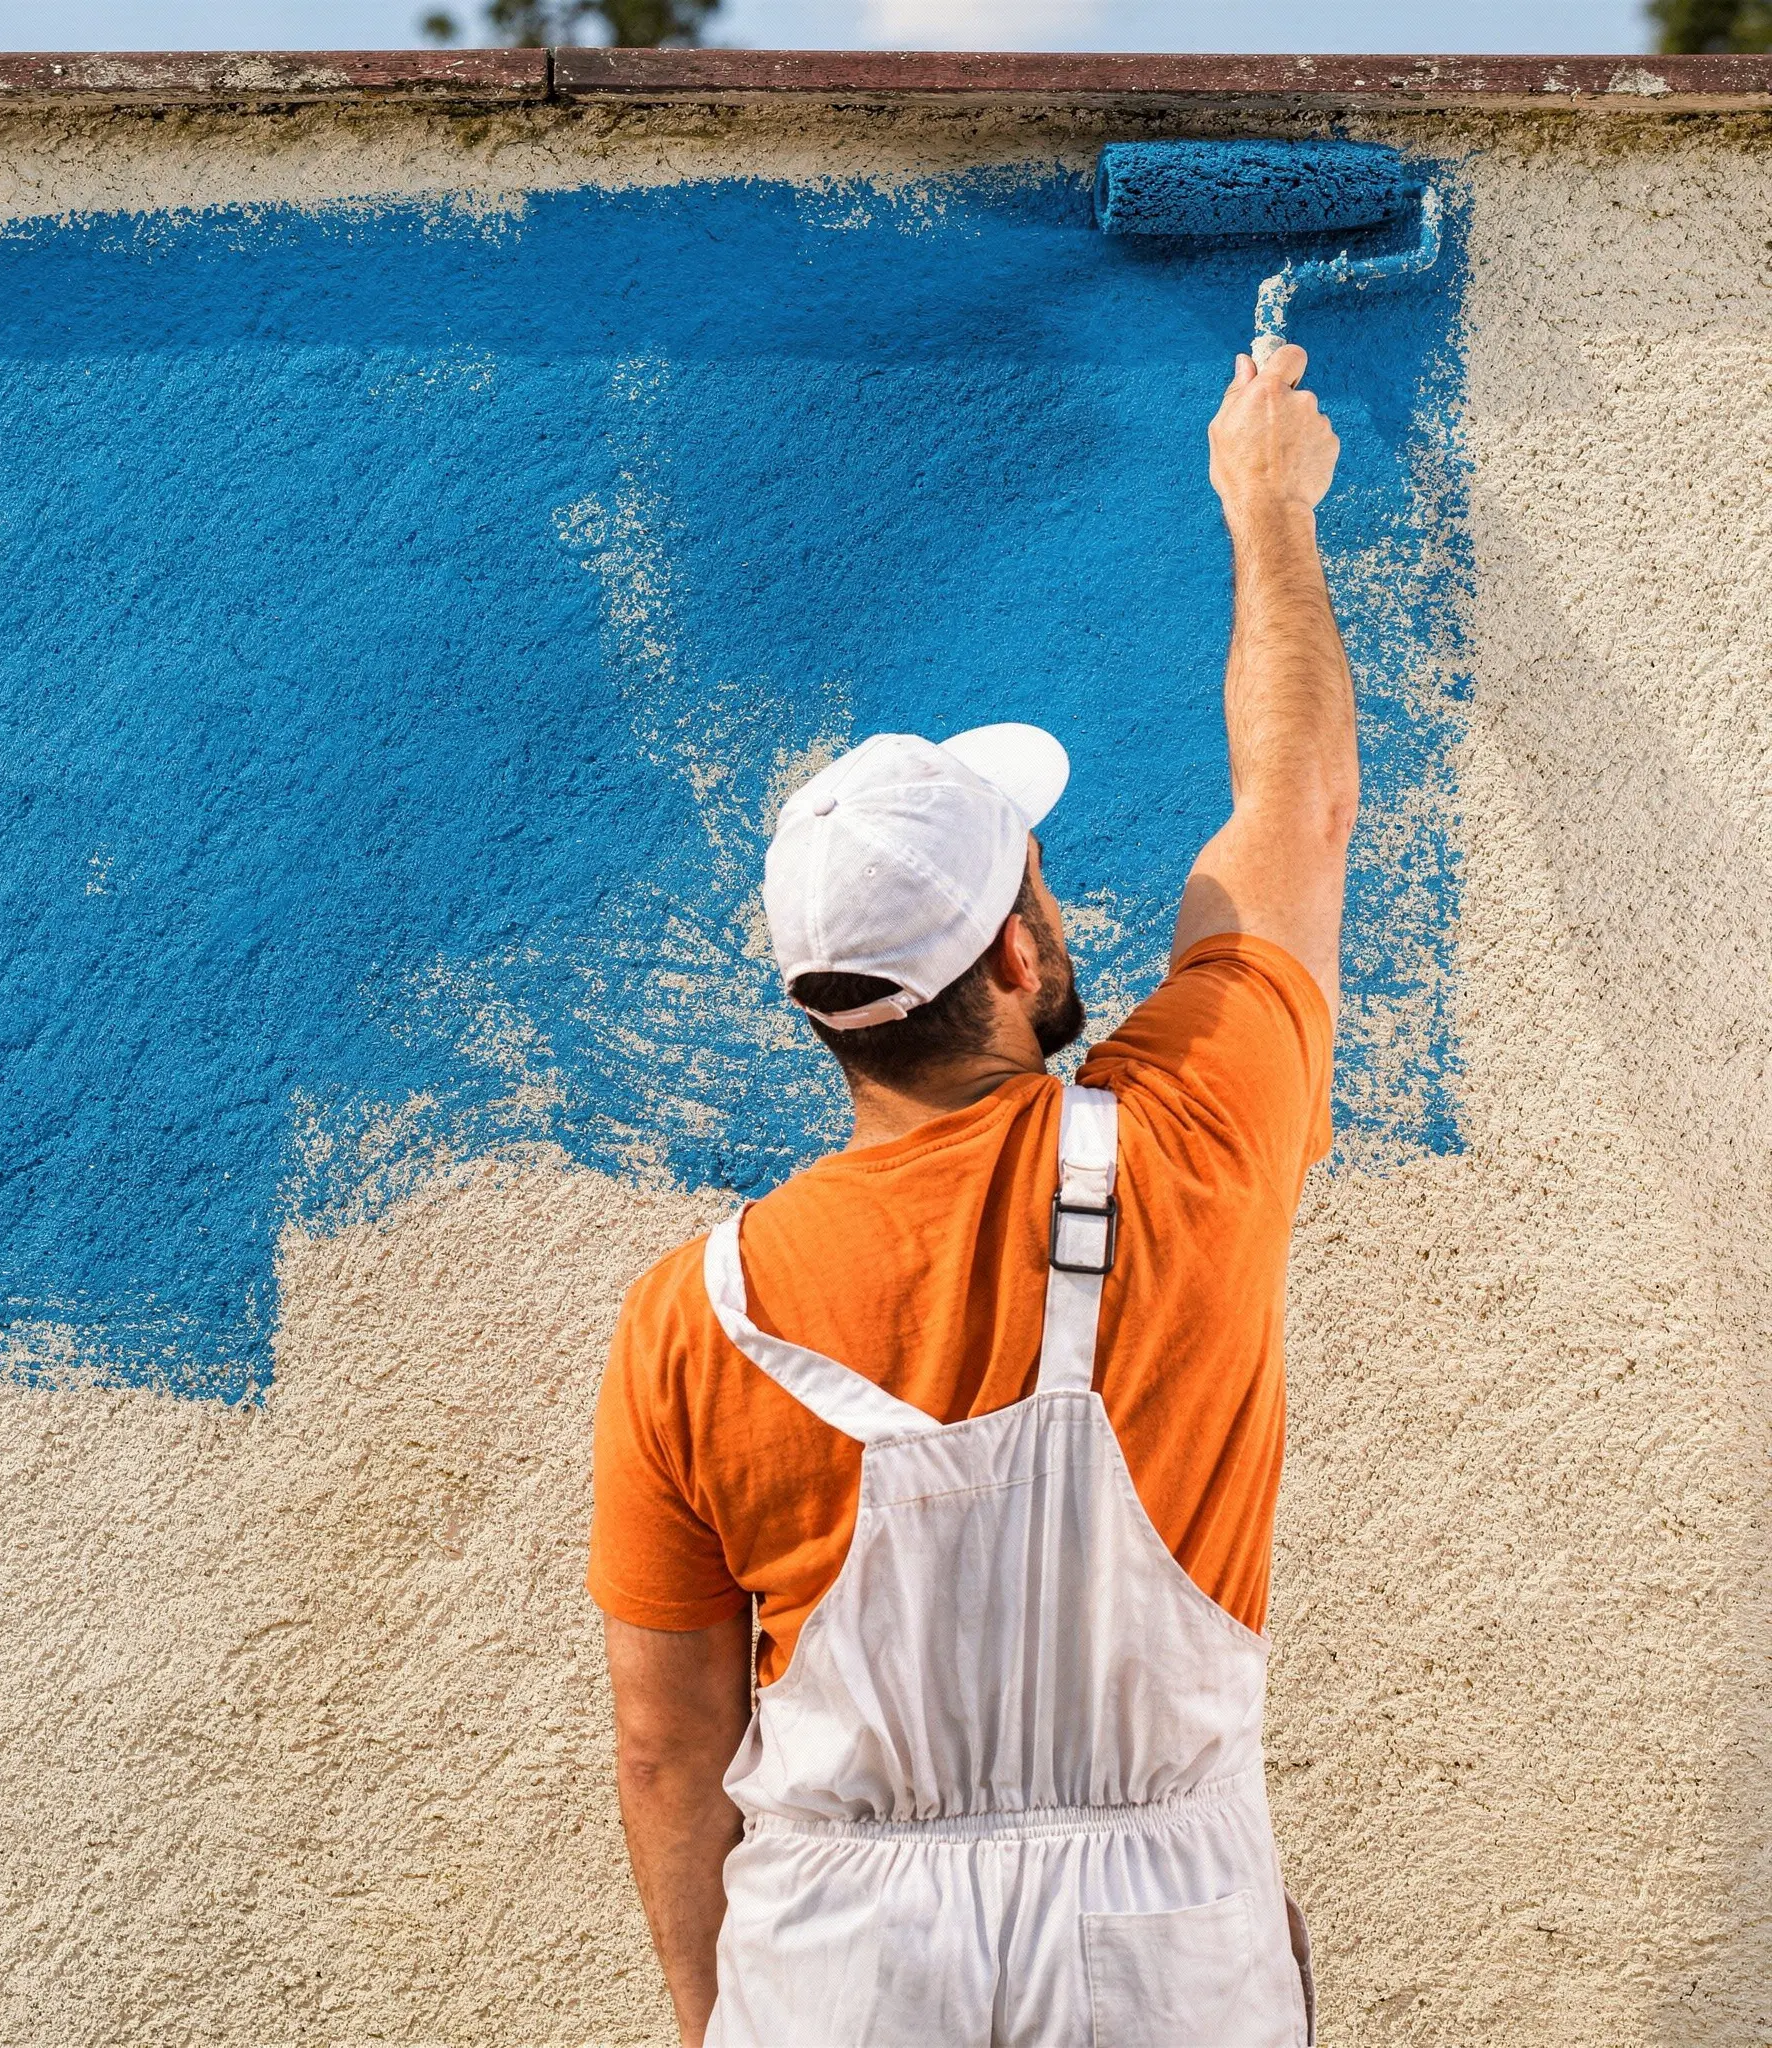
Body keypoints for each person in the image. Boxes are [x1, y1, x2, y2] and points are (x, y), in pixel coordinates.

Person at [588, 341, 1348, 2048]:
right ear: (1017, 955)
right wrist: (1266, 505)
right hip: (1161, 1950)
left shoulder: (693, 1318)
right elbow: (1295, 807)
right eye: (1042, 889)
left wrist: (725, 2019)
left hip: (838, 1965)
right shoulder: (1192, 1137)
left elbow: (667, 1746)